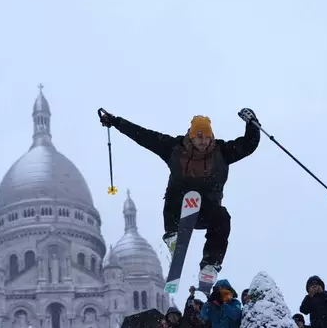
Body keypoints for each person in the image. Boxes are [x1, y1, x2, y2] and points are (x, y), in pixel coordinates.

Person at [99, 109, 260, 276]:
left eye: (206, 137)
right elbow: (144, 136)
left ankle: (210, 264)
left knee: (223, 216)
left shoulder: (222, 152)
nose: (203, 141)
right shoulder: (174, 148)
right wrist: (116, 121)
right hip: (180, 210)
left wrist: (252, 123)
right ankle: (172, 235)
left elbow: (248, 144)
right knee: (176, 190)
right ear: (191, 136)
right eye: (199, 136)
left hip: (207, 212)